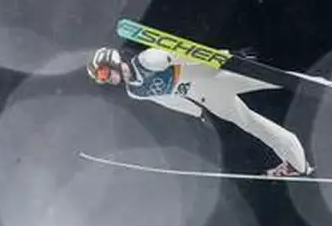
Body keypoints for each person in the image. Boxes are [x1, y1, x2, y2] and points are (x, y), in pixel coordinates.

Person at [86, 46, 313, 177]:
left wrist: (226, 57)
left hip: (215, 77)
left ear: (112, 61)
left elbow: (186, 53)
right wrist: (196, 112)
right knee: (250, 123)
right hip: (207, 97)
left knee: (273, 80)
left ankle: (319, 84)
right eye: (101, 79)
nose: (106, 80)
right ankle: (296, 162)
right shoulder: (135, 91)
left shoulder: (147, 60)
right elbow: (169, 100)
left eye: (104, 73)